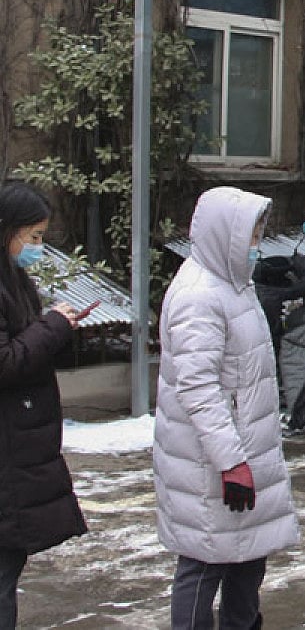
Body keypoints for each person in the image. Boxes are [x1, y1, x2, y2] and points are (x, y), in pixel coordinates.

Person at [154, 186, 300, 630]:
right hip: (211, 462)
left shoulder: (233, 284)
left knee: (246, 559)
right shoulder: (199, 295)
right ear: (225, 234)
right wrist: (231, 461)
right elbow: (197, 388)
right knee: (205, 562)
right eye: (252, 234)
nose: (257, 243)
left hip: (244, 451)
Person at [0, 182, 88, 629]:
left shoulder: (12, 278)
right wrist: (51, 327)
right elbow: (6, 360)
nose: (38, 247)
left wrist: (52, 325)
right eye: (32, 237)